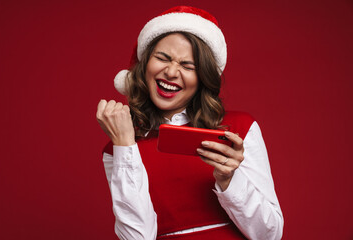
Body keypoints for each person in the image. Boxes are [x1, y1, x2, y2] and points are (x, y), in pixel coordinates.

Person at [96, 6, 283, 240]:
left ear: (202, 78)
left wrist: (229, 180)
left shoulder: (239, 129)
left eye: (188, 66)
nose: (171, 72)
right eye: (162, 58)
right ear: (144, 67)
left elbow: (270, 235)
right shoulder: (118, 148)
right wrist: (124, 146)